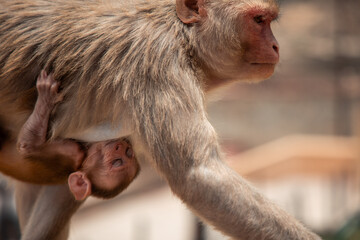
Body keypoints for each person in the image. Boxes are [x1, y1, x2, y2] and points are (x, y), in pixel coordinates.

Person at [0, 70, 140, 201]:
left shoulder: (73, 153)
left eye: (116, 162)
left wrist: (44, 102)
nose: (121, 148)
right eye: (129, 153)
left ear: (79, 181)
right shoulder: (90, 146)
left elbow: (26, 146)